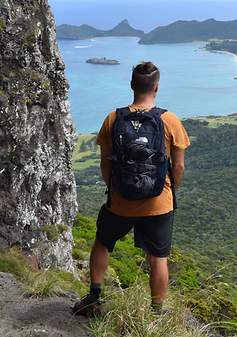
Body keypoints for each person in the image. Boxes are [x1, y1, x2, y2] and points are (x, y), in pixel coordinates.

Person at [73, 61, 190, 317]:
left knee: (103, 243)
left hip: (120, 201)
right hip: (159, 203)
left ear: (131, 85)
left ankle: (94, 300)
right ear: (157, 87)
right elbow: (178, 167)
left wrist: (115, 190)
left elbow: (106, 165)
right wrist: (170, 193)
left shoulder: (113, 119)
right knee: (158, 258)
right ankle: (156, 314)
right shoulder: (169, 120)